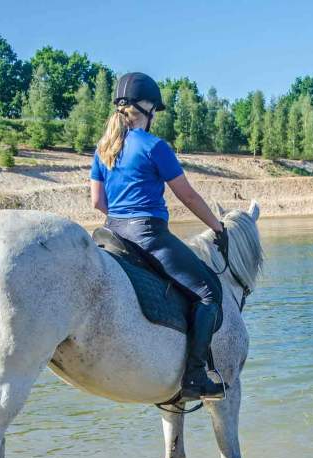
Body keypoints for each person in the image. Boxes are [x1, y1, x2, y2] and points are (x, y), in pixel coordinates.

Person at [89, 72, 229, 400]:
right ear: (148, 108)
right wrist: (217, 227)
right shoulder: (154, 146)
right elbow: (188, 196)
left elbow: (97, 201)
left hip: (113, 232)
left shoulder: (104, 148)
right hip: (148, 235)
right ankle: (195, 377)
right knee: (209, 293)